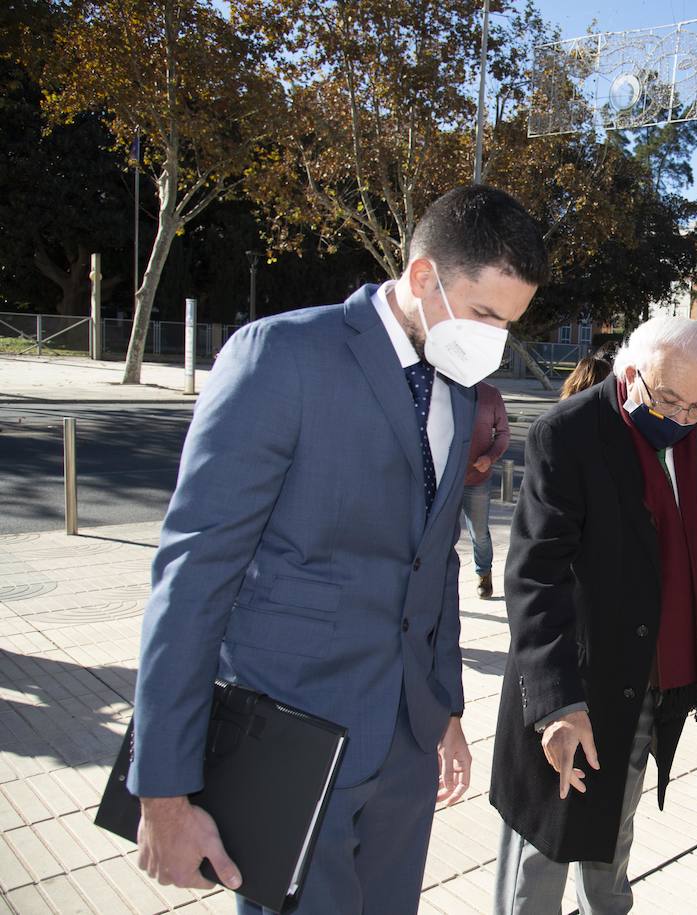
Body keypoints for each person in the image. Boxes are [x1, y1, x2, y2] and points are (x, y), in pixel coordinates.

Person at [129, 185, 548, 913]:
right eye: (485, 314)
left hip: (405, 750)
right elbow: (193, 575)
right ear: (423, 278)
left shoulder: (457, 388)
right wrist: (163, 789)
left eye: (508, 323)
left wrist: (444, 708)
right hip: (289, 745)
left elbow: (434, 558)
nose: (494, 340)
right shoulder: (281, 355)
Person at [489, 316, 697, 914]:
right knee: (544, 845)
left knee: (613, 832)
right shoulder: (567, 433)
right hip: (575, 682)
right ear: (630, 370)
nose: (680, 419)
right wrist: (558, 705)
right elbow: (534, 578)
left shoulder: (693, 431)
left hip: (648, 677)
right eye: (670, 399)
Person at [461, 381, 510, 599]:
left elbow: (503, 434)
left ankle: (484, 573)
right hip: (445, 479)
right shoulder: (443, 387)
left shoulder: (490, 394)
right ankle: (439, 575)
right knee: (439, 533)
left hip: (477, 478)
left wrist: (489, 458)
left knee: (478, 532)